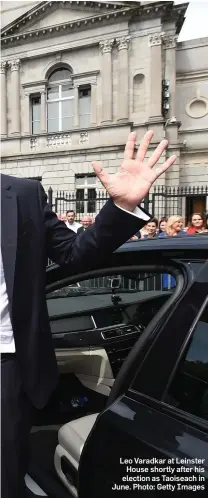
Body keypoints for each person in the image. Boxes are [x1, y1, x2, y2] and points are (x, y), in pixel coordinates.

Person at [0, 130, 176, 498]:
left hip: (8, 366)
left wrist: (122, 208)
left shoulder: (24, 195)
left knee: (6, 476)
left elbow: (75, 254)